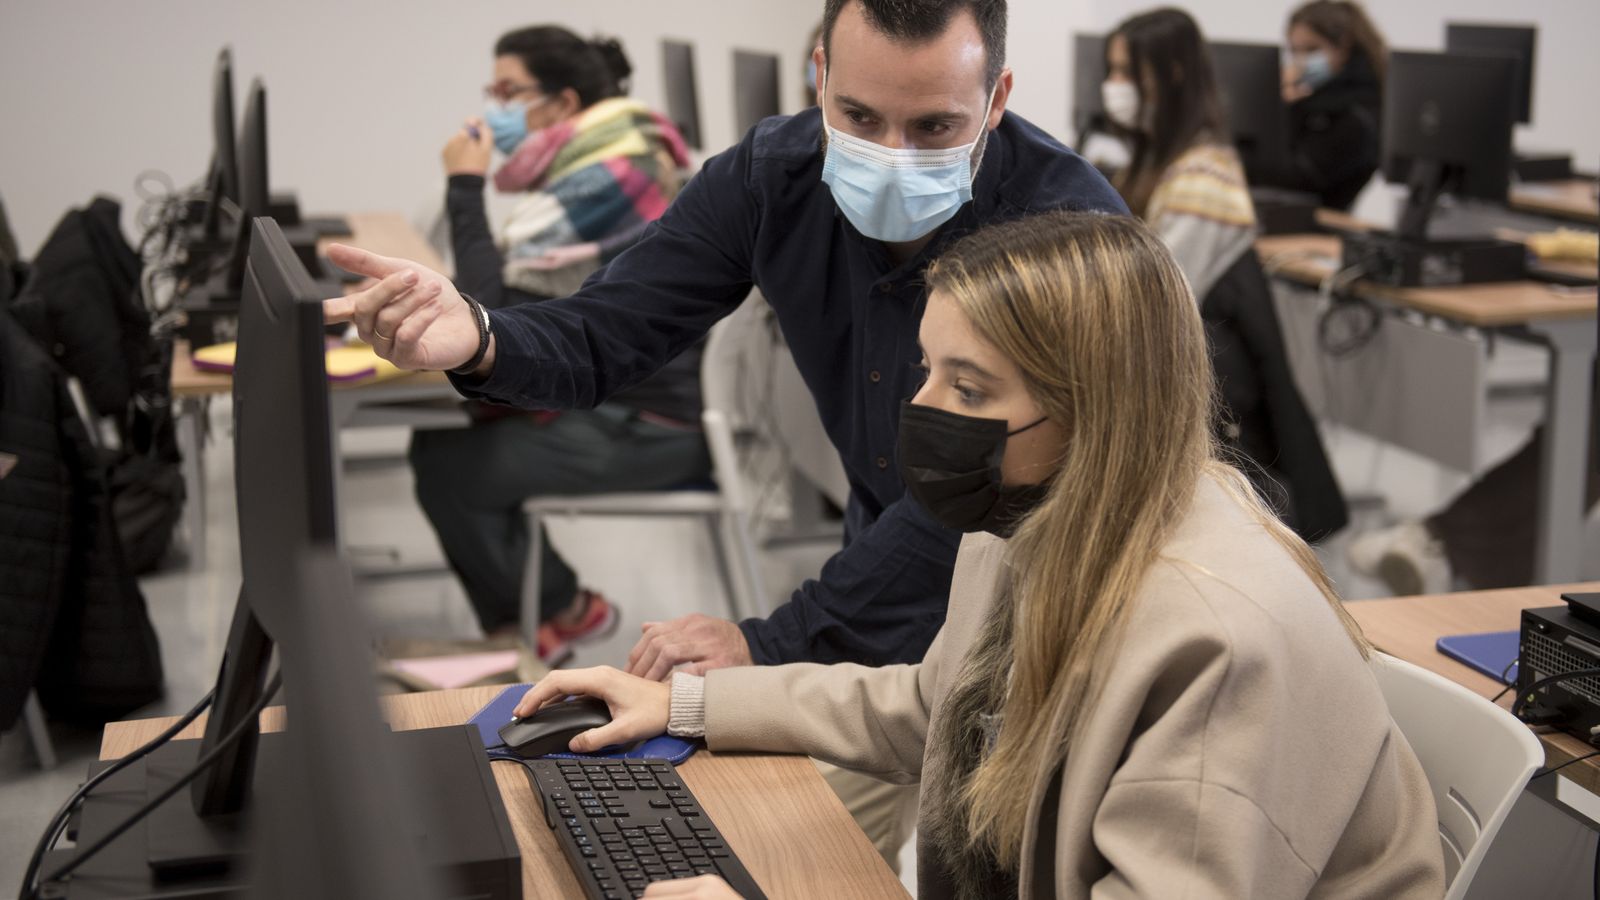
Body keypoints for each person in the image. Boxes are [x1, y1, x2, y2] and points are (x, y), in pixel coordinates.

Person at [323, 0, 1126, 868]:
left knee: (983, 867)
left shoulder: (1068, 235)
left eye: (934, 127)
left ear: (996, 98)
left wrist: (768, 645)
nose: (892, 156)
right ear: (820, 75)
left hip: (1037, 619)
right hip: (875, 612)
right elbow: (608, 330)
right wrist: (480, 336)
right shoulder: (772, 176)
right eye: (860, 118)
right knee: (783, 857)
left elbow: (974, 506)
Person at [511, 211, 1446, 900]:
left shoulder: (1219, 643)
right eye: (930, 370)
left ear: (1096, 411)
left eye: (968, 388)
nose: (922, 409)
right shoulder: (1037, 511)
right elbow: (938, 708)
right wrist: (685, 704)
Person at [407, 26, 706, 663]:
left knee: (454, 468)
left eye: (508, 92)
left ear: (563, 102)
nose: (493, 109)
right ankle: (548, 614)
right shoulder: (606, 152)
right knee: (441, 443)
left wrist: (465, 185)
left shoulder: (615, 175)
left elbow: (487, 316)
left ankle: (544, 615)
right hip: (618, 394)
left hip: (653, 423)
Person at [1104, 8, 1347, 542]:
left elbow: (1154, 299)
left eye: (1127, 72)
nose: (1114, 86)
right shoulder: (1154, 160)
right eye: (1112, 71)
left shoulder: (1204, 176)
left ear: (1170, 75)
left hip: (1200, 394)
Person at [1258, 0, 1386, 211]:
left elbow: (1301, 179)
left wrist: (1281, 109)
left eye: (1312, 49)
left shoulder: (1360, 114)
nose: (1301, 61)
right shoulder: (1308, 99)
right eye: (1294, 51)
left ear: (1343, 47)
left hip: (1321, 219)